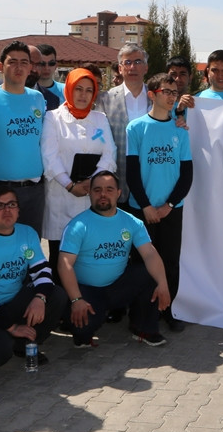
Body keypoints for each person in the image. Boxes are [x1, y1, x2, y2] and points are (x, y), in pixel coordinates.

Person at [58, 171, 172, 347]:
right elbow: (64, 265)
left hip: (118, 286)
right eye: (97, 190)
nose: (103, 194)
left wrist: (163, 283)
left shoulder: (131, 222)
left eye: (109, 189)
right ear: (90, 193)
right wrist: (76, 299)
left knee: (149, 274)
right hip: (87, 290)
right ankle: (76, 319)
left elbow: (150, 254)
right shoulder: (77, 225)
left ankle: (143, 328)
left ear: (118, 193)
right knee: (82, 332)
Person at [0, 187, 68, 367]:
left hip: (13, 301)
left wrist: (40, 298)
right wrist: (12, 327)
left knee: (56, 295)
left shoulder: (27, 233)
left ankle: (24, 344)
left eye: (11, 204)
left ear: (18, 210)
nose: (7, 210)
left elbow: (42, 270)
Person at [126, 73, 193, 334]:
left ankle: (168, 311)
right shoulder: (136, 128)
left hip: (171, 210)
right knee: (142, 265)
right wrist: (146, 206)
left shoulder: (180, 130)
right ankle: (142, 316)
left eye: (174, 92)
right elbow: (132, 173)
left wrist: (169, 205)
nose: (172, 97)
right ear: (152, 94)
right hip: (142, 210)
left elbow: (187, 175)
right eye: (166, 91)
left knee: (170, 263)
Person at [41, 68, 116, 260]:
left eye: (89, 90)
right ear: (69, 89)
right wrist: (70, 185)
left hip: (92, 195)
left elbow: (110, 153)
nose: (83, 95)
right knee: (61, 257)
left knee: (89, 256)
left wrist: (93, 183)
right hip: (61, 197)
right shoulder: (52, 117)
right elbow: (49, 156)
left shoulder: (100, 118)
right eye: (78, 89)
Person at [0, 41, 47, 235]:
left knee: (30, 245)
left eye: (24, 62)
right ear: (1, 66)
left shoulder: (37, 98)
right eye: (12, 62)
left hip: (34, 190)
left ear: (30, 67)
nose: (19, 67)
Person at [101, 43, 150, 208]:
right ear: (120, 68)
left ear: (146, 67)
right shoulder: (105, 99)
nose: (132, 67)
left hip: (151, 183)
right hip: (118, 183)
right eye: (127, 62)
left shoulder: (157, 97)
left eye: (138, 62)